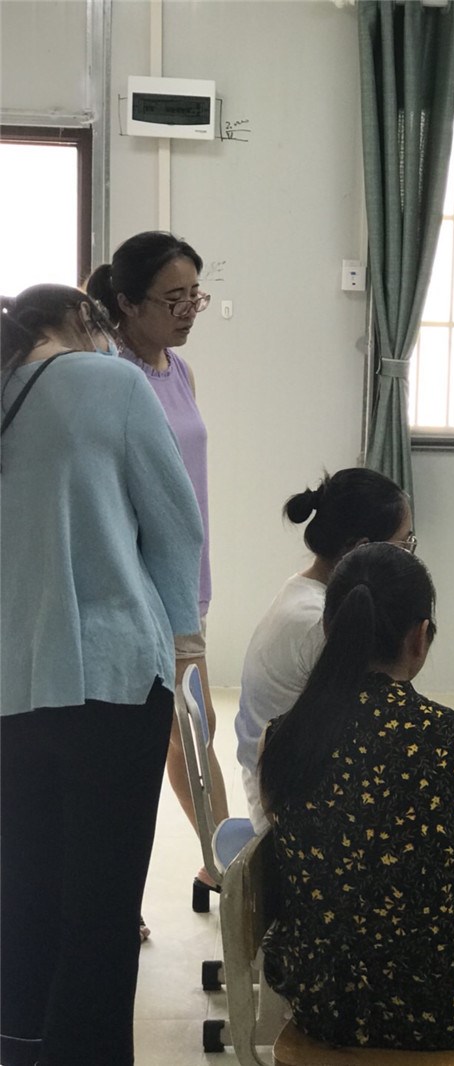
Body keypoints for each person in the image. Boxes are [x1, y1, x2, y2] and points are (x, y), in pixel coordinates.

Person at [0, 285, 203, 1066]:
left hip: (13, 684)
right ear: (85, 323)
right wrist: (185, 647)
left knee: (26, 886)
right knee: (103, 902)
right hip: (110, 678)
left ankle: (20, 1045)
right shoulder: (113, 381)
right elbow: (174, 526)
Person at [258, 543, 454, 1051]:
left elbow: (317, 861)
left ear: (330, 629)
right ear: (420, 637)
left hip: (325, 1002)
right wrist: (444, 876)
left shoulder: (282, 739)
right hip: (448, 1006)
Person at [87, 232, 226, 911]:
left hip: (183, 579)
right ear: (127, 302)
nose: (189, 310)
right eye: (174, 299)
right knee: (147, 741)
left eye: (195, 295)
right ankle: (138, 892)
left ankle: (219, 865)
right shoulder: (107, 373)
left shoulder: (179, 369)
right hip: (131, 587)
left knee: (189, 732)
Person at [236, 467, 414, 833]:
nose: (409, 558)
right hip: (286, 809)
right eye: (404, 545)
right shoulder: (317, 623)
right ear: (361, 549)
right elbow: (375, 723)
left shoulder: (305, 591)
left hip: (283, 782)